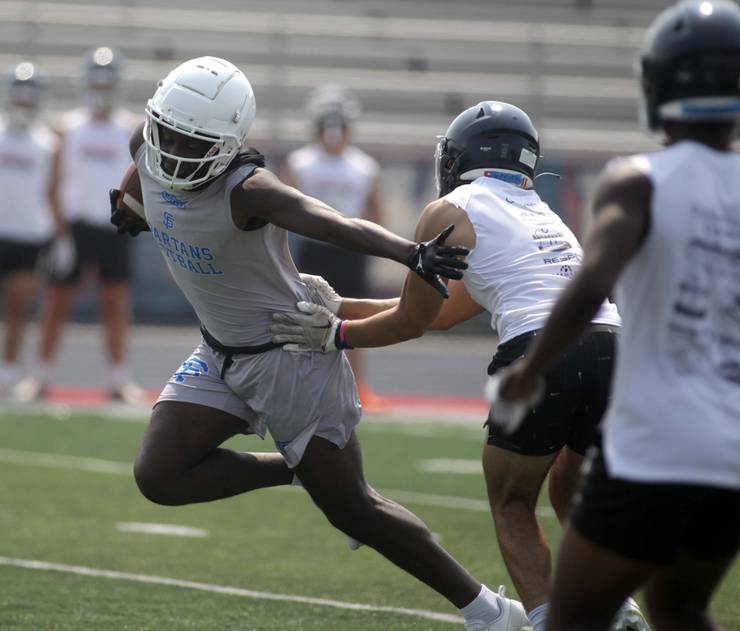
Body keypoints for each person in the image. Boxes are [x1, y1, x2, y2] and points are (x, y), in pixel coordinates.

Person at [112, 55, 527, 631]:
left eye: (194, 141)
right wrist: (131, 201)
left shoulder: (249, 189)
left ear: (230, 142)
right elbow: (144, 165)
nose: (175, 151)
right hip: (219, 349)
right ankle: (295, 469)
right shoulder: (149, 139)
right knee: (159, 475)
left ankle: (492, 612)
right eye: (168, 134)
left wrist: (410, 253)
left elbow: (328, 220)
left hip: (290, 349)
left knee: (355, 508)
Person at [268, 101, 647, 631]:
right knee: (572, 487)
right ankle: (620, 610)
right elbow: (446, 312)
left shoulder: (450, 211)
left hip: (542, 352)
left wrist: (337, 335)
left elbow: (413, 322)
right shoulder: (544, 211)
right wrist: (340, 307)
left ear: (463, 153)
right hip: (614, 346)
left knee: (514, 503)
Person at [487, 2, 740, 630]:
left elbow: (592, 279)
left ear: (658, 85)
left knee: (573, 617)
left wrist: (530, 373)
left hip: (658, 440)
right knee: (680, 608)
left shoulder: (639, 180)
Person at [14, 46, 141, 403]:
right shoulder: (67, 128)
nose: (101, 89)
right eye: (96, 82)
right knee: (56, 301)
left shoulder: (130, 128)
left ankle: (118, 378)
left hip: (115, 225)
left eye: (107, 82)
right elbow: (53, 183)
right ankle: (39, 375)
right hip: (76, 227)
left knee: (116, 302)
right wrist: (61, 233)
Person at [281, 86, 385, 410]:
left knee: (354, 318)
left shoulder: (364, 166)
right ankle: (306, 384)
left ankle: (356, 385)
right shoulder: (300, 162)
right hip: (315, 249)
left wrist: (371, 244)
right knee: (308, 315)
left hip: (350, 249)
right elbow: (283, 208)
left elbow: (375, 208)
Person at [0, 62, 58, 394]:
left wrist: (59, 235)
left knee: (18, 308)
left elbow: (53, 189)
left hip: (28, 234)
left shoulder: (46, 143)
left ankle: (8, 369)